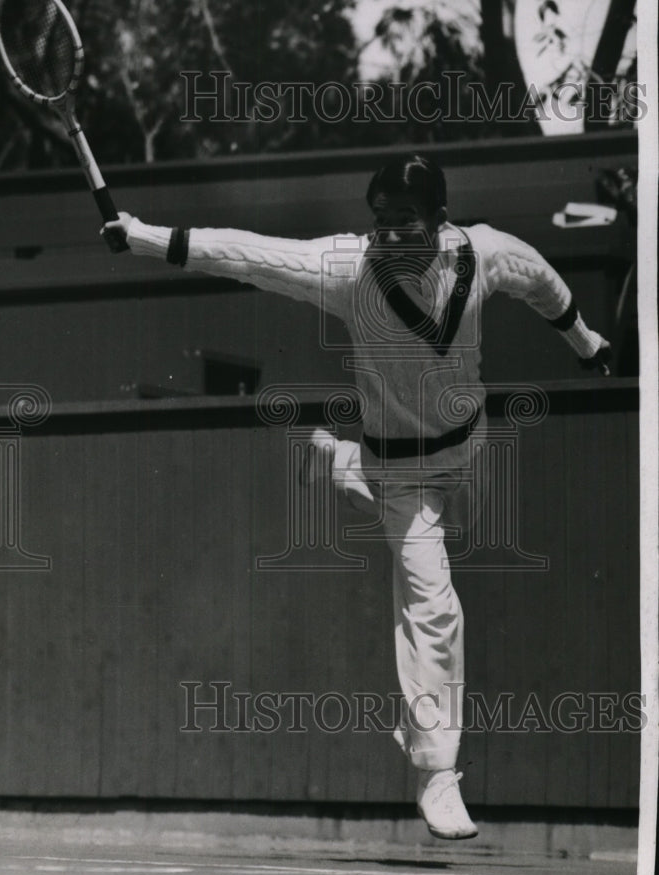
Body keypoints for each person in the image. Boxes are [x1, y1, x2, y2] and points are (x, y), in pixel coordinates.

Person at [102, 154, 610, 840]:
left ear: (438, 220)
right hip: (401, 473)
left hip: (467, 453)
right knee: (431, 605)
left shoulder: (484, 254)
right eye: (379, 220)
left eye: (404, 219)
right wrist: (144, 236)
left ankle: (337, 462)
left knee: (447, 539)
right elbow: (250, 255)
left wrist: (586, 343)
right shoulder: (347, 270)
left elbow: (542, 283)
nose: (389, 234)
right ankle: (437, 774)